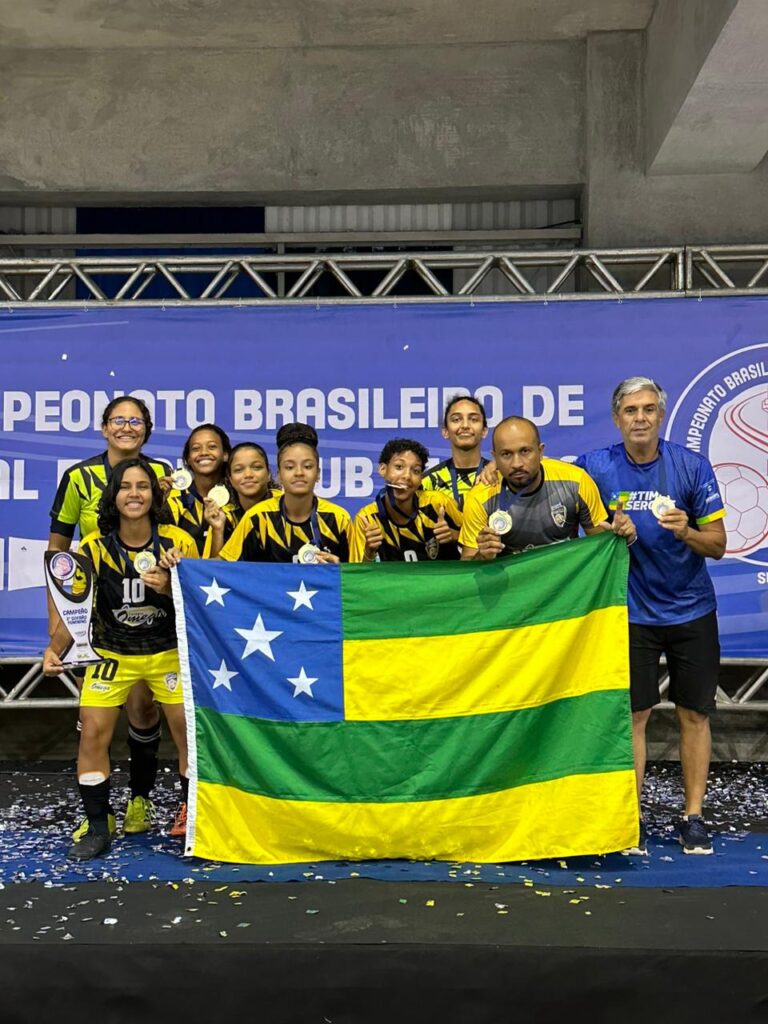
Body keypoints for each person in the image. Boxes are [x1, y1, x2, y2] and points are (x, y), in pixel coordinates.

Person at [576, 377, 726, 856]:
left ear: (661, 416)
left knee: (693, 715)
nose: (639, 418)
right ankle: (631, 817)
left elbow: (719, 545)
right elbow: (560, 501)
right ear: (617, 417)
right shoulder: (595, 466)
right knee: (634, 715)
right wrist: (603, 526)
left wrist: (687, 532)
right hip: (632, 611)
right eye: (630, 410)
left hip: (691, 609)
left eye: (647, 410)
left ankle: (694, 815)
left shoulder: (690, 466)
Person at [43, 459, 198, 860]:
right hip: (111, 653)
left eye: (143, 486)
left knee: (186, 731)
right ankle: (98, 823)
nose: (134, 493)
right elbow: (78, 609)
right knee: (93, 730)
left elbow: (200, 606)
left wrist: (168, 589)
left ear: (155, 494)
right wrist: (53, 648)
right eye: (125, 486)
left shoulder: (178, 542)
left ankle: (192, 816)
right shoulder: (93, 545)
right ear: (113, 495)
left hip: (167, 653)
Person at [48, 395, 172, 840]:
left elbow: (179, 551)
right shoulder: (79, 480)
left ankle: (142, 799)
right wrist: (60, 634)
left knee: (146, 711)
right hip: (100, 620)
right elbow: (58, 556)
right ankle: (99, 818)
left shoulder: (163, 479)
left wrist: (173, 576)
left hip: (160, 636)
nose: (126, 427)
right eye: (117, 420)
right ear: (103, 428)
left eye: (135, 420)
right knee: (96, 726)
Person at [460, 416, 636, 560]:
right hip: (510, 596)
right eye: (506, 454)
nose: (517, 463)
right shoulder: (480, 497)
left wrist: (622, 536)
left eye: (525, 451)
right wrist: (483, 556)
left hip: (565, 594)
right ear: (494, 457)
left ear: (541, 451)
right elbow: (466, 571)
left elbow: (601, 547)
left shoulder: (576, 481)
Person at [217, 423, 352, 564]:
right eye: (289, 467)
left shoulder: (339, 518)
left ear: (317, 474)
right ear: (279, 475)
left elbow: (360, 575)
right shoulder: (256, 517)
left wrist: (339, 568)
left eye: (307, 466)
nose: (299, 473)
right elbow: (222, 568)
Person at [351, 438, 462, 562]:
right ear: (383, 469)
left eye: (416, 471)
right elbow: (358, 577)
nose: (407, 476)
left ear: (421, 478)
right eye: (399, 467)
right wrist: (369, 552)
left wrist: (454, 535)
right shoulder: (366, 519)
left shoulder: (438, 503)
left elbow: (475, 541)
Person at [203, 441, 279, 558]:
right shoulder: (224, 516)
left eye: (256, 467)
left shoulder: (285, 506)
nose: (248, 474)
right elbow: (211, 571)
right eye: (238, 470)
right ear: (230, 479)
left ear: (268, 474)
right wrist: (217, 529)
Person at [166, 423, 233, 554]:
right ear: (188, 459)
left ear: (225, 455)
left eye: (212, 447)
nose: (204, 453)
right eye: (196, 448)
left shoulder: (238, 498)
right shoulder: (172, 500)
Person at [421, 394, 490, 510]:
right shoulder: (429, 482)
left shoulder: (497, 476)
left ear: (484, 431)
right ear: (445, 431)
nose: (465, 425)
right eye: (456, 419)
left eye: (473, 419)